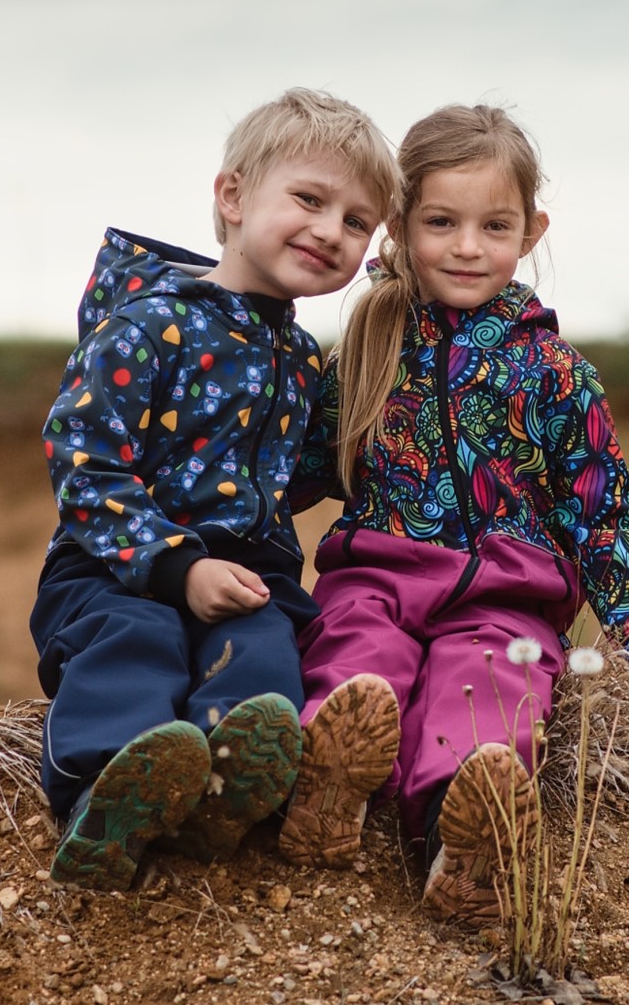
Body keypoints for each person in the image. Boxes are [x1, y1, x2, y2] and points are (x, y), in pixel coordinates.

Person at [277, 103, 629, 924]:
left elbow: (605, 513)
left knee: (490, 689)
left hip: (506, 597)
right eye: (441, 222)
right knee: (357, 651)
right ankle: (328, 780)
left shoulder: (555, 372)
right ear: (399, 225)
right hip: (378, 573)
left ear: (532, 230)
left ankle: (463, 841)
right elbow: (289, 473)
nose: (467, 247)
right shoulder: (366, 350)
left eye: (494, 225)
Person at [30, 88, 399, 891]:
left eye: (357, 220)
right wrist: (175, 566)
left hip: (248, 576)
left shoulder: (300, 358)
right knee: (136, 645)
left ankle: (222, 793)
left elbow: (288, 476)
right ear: (232, 196)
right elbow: (82, 457)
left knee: (266, 657)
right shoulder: (151, 323)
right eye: (309, 199)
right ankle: (103, 793)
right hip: (116, 569)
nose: (330, 230)